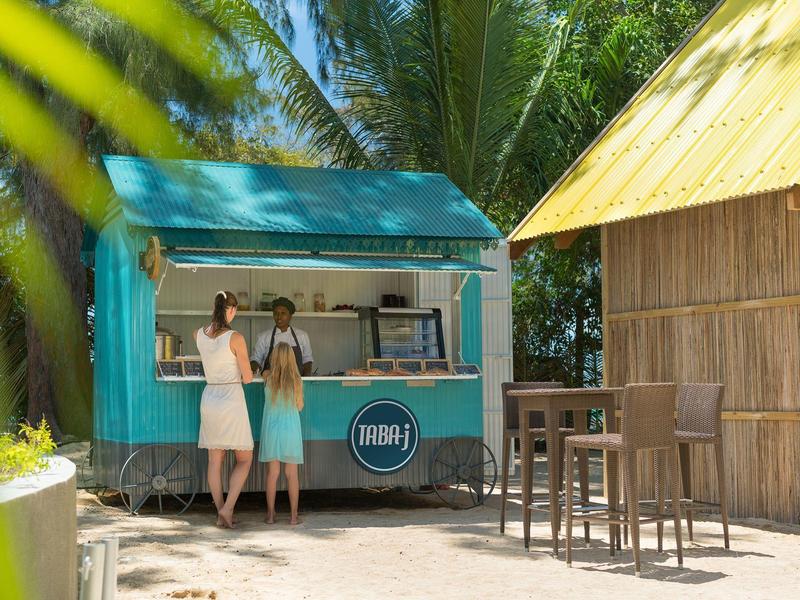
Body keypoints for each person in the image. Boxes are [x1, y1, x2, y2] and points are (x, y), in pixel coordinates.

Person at [193, 290, 254, 529]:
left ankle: (221, 511)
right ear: (232, 310)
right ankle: (228, 509)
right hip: (231, 398)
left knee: (214, 460)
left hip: (210, 397)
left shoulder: (198, 334)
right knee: (245, 458)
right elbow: (248, 378)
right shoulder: (235, 338)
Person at [259, 342, 304, 525]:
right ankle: (293, 516)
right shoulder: (296, 380)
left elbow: (263, 372)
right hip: (291, 428)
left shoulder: (267, 376)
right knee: (292, 474)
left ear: (274, 357)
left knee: (272, 473)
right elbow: (299, 406)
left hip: (271, 428)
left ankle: (270, 515)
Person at [250, 297, 313, 376]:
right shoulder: (263, 337)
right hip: (270, 384)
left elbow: (307, 361)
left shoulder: (302, 336)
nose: (279, 317)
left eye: (283, 313)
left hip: (296, 384)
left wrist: (306, 379)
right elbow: (255, 359)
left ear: (290, 316)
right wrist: (256, 369)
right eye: (276, 313)